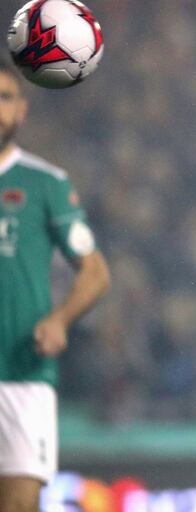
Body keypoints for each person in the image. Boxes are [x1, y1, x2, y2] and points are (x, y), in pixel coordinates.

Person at [0, 62, 111, 512]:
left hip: (24, 373)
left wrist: (61, 319)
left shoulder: (45, 183)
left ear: (21, 111)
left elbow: (95, 271)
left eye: (5, 98)